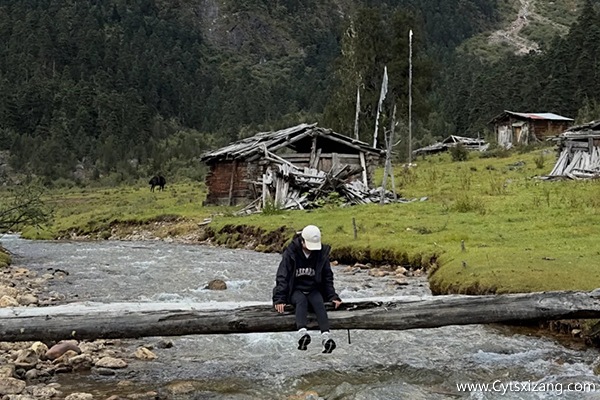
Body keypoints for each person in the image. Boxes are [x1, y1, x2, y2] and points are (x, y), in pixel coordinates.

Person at [273, 225, 342, 353]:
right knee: (300, 301)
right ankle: (302, 334)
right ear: (302, 241)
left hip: (313, 288)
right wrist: (279, 298)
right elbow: (282, 276)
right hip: (295, 289)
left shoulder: (321, 253)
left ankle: (326, 338)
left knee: (319, 303)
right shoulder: (291, 253)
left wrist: (332, 296)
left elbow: (327, 276)